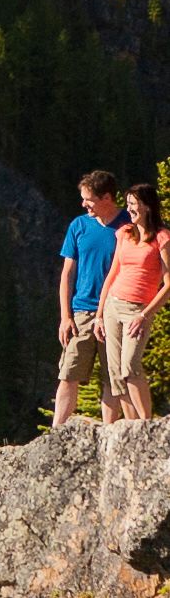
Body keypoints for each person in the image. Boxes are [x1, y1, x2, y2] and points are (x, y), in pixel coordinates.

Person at [57, 169, 123, 424]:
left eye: (89, 199)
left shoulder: (128, 226)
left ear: (107, 198)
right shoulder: (79, 225)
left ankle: (109, 434)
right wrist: (66, 316)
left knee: (112, 377)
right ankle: (57, 433)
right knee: (68, 373)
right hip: (82, 312)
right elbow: (67, 274)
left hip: (115, 311)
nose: (84, 204)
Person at [106, 179, 167, 423]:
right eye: (128, 203)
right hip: (113, 304)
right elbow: (113, 272)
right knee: (115, 373)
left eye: (134, 204)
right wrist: (100, 313)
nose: (129, 208)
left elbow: (169, 283)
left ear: (148, 207)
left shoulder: (161, 238)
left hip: (138, 309)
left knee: (130, 366)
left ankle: (146, 423)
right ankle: (131, 427)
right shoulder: (124, 233)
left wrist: (145, 315)